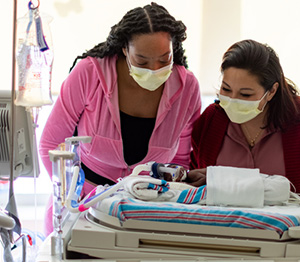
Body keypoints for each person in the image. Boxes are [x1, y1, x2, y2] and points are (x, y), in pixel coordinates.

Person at [39, 2, 201, 234]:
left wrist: (168, 201)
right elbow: (50, 145)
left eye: (164, 60)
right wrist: (69, 195)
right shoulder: (89, 74)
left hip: (147, 211)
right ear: (125, 49)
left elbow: (182, 160)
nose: (154, 69)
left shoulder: (187, 88)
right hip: (81, 208)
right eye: (142, 61)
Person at [188, 39, 300, 194]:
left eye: (245, 94)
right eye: (226, 89)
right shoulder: (211, 120)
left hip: (292, 217)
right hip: (222, 217)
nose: (233, 100)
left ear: (271, 91)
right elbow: (194, 177)